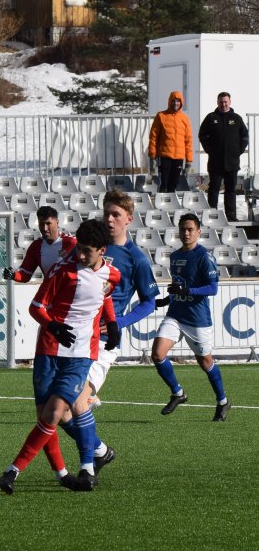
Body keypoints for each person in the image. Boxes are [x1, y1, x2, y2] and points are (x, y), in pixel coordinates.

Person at [0, 220, 121, 495]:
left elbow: (105, 294)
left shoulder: (112, 274)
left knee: (57, 412)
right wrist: (53, 326)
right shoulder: (63, 272)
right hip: (49, 349)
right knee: (47, 415)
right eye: (79, 249)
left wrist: (111, 323)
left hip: (80, 355)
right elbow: (36, 307)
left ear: (102, 250)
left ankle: (18, 471)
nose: (80, 256)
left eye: (87, 251)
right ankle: (66, 473)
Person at [58, 189, 159, 469]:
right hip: (75, 336)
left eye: (116, 215)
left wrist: (118, 322)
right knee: (55, 409)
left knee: (72, 402)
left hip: (102, 341)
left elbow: (149, 302)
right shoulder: (91, 246)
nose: (110, 219)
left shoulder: (135, 258)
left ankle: (87, 467)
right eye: (106, 214)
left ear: (129, 218)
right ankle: (99, 451)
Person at [151, 212, 230, 421]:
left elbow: (213, 289)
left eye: (190, 229)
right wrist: (167, 300)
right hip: (175, 315)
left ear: (198, 232)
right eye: (183, 229)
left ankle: (222, 401)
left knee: (204, 361)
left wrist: (188, 292)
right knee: (157, 354)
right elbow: (179, 287)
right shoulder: (175, 256)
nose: (186, 233)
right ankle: (178, 393)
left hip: (197, 319)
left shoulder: (204, 257)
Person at [198, 92, 249, 222]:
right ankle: (212, 215)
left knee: (230, 190)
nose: (223, 104)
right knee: (213, 189)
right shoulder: (211, 118)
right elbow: (202, 135)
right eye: (221, 101)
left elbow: (244, 136)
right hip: (215, 162)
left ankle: (231, 215)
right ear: (217, 102)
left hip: (232, 162)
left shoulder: (236, 118)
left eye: (226, 101)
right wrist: (209, 149)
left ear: (230, 102)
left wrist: (239, 150)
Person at [2, 206, 75, 283]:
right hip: (52, 292)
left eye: (48, 223)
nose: (45, 228)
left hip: (74, 292)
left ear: (57, 223)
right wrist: (14, 275)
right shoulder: (36, 246)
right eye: (41, 224)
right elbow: (25, 274)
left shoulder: (72, 243)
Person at [148, 90, 194, 193]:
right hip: (165, 156)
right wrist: (152, 156)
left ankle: (171, 205)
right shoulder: (161, 116)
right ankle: (162, 205)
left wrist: (189, 161)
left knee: (174, 184)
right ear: (169, 102)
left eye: (178, 101)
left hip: (179, 157)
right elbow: (153, 137)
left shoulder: (185, 118)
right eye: (173, 101)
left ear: (181, 103)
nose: (175, 103)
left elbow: (188, 140)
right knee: (164, 184)